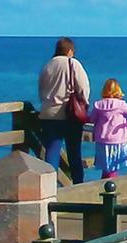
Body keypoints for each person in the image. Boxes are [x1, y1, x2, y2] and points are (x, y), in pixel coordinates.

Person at [37, 38, 90, 181]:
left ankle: (49, 185)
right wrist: (84, 104)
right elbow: (83, 88)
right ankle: (78, 186)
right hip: (69, 115)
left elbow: (41, 92)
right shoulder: (73, 63)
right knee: (74, 153)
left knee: (52, 152)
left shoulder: (47, 66)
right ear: (70, 51)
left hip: (48, 114)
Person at [88, 79, 127, 178]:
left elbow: (91, 119)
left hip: (102, 141)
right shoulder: (121, 105)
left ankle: (105, 184)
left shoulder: (98, 105)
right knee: (114, 167)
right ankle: (111, 184)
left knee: (106, 168)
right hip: (118, 140)